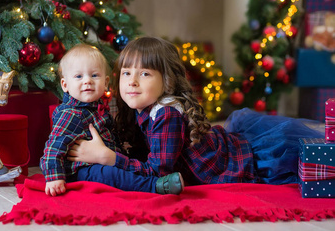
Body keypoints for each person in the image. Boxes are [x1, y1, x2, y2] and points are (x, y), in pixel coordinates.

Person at [67, 36, 324, 186]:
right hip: (224, 144)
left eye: (144, 73)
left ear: (167, 81)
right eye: (126, 73)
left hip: (237, 163)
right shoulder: (142, 105)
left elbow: (158, 172)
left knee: (300, 165)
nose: (132, 81)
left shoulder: (167, 115)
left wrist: (106, 158)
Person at [40, 43, 184, 196]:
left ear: (106, 82)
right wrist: (54, 177)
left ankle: (143, 178)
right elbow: (52, 148)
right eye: (79, 76)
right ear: (65, 85)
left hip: (100, 159)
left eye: (94, 75)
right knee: (108, 175)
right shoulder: (71, 114)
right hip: (81, 170)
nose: (87, 81)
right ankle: (153, 186)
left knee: (116, 171)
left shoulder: (98, 108)